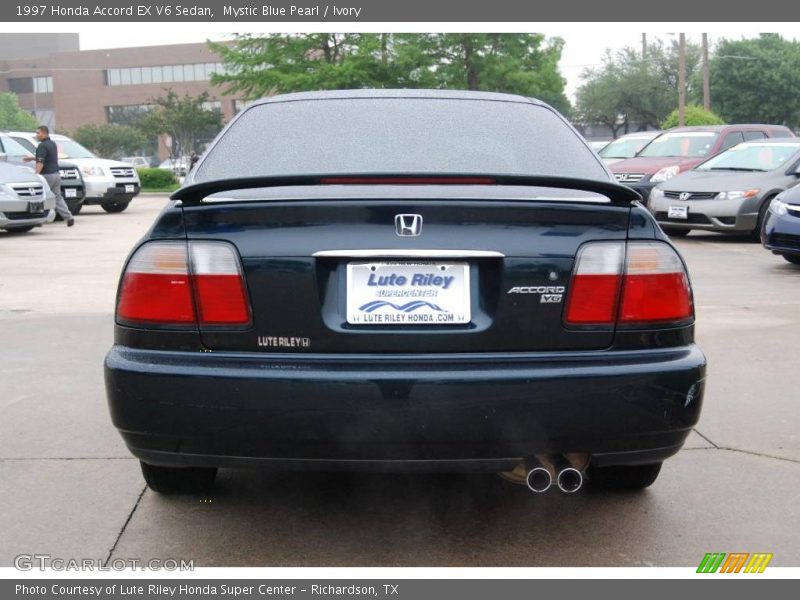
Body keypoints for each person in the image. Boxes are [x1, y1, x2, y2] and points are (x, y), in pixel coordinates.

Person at [23, 125, 73, 227]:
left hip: (46, 176)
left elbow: (41, 162)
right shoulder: (52, 144)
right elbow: (47, 157)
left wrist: (36, 175)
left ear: (44, 133)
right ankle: (69, 217)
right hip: (56, 175)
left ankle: (37, 219)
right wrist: (32, 158)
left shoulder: (41, 146)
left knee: (38, 197)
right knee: (58, 197)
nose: (36, 135)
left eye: (38, 133)